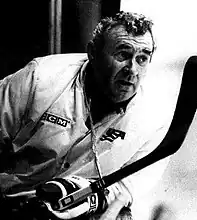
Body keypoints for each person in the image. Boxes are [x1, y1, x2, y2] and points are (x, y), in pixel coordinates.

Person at [0, 11, 173, 219]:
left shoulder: (154, 118)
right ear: (93, 52)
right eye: (123, 55)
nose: (132, 70)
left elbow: (126, 189)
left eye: (142, 58)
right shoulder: (40, 79)